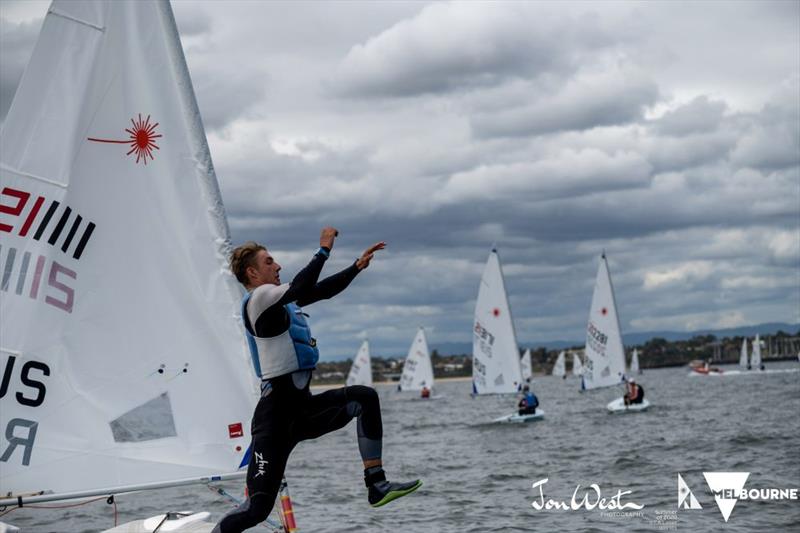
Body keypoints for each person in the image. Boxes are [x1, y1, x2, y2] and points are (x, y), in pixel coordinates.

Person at [214, 228, 420, 533]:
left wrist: (356, 267)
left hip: (303, 409)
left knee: (364, 397)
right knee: (257, 509)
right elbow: (302, 285)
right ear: (252, 273)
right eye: (269, 262)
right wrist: (323, 250)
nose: (278, 266)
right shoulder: (258, 300)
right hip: (274, 421)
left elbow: (321, 290)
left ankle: (377, 485)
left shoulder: (281, 301)